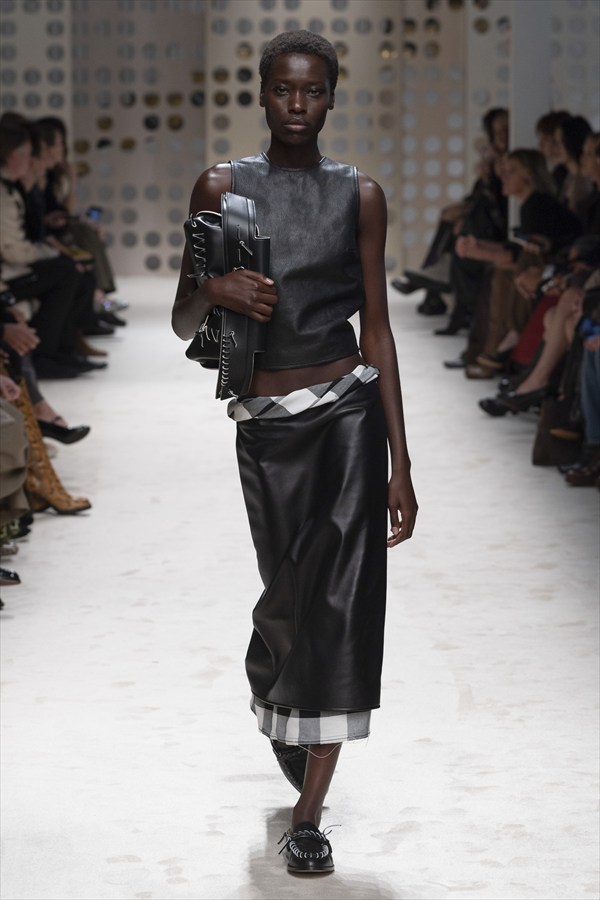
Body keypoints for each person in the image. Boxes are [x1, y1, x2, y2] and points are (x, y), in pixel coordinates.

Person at [172, 31, 417, 874]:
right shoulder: (222, 187)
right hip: (266, 422)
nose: (298, 105)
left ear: (333, 97)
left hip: (346, 412)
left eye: (313, 91)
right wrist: (214, 287)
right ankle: (281, 690)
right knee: (285, 601)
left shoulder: (361, 196)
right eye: (284, 89)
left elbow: (377, 329)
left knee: (341, 604)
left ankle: (309, 815)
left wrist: (400, 462)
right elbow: (182, 319)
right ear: (263, 94)